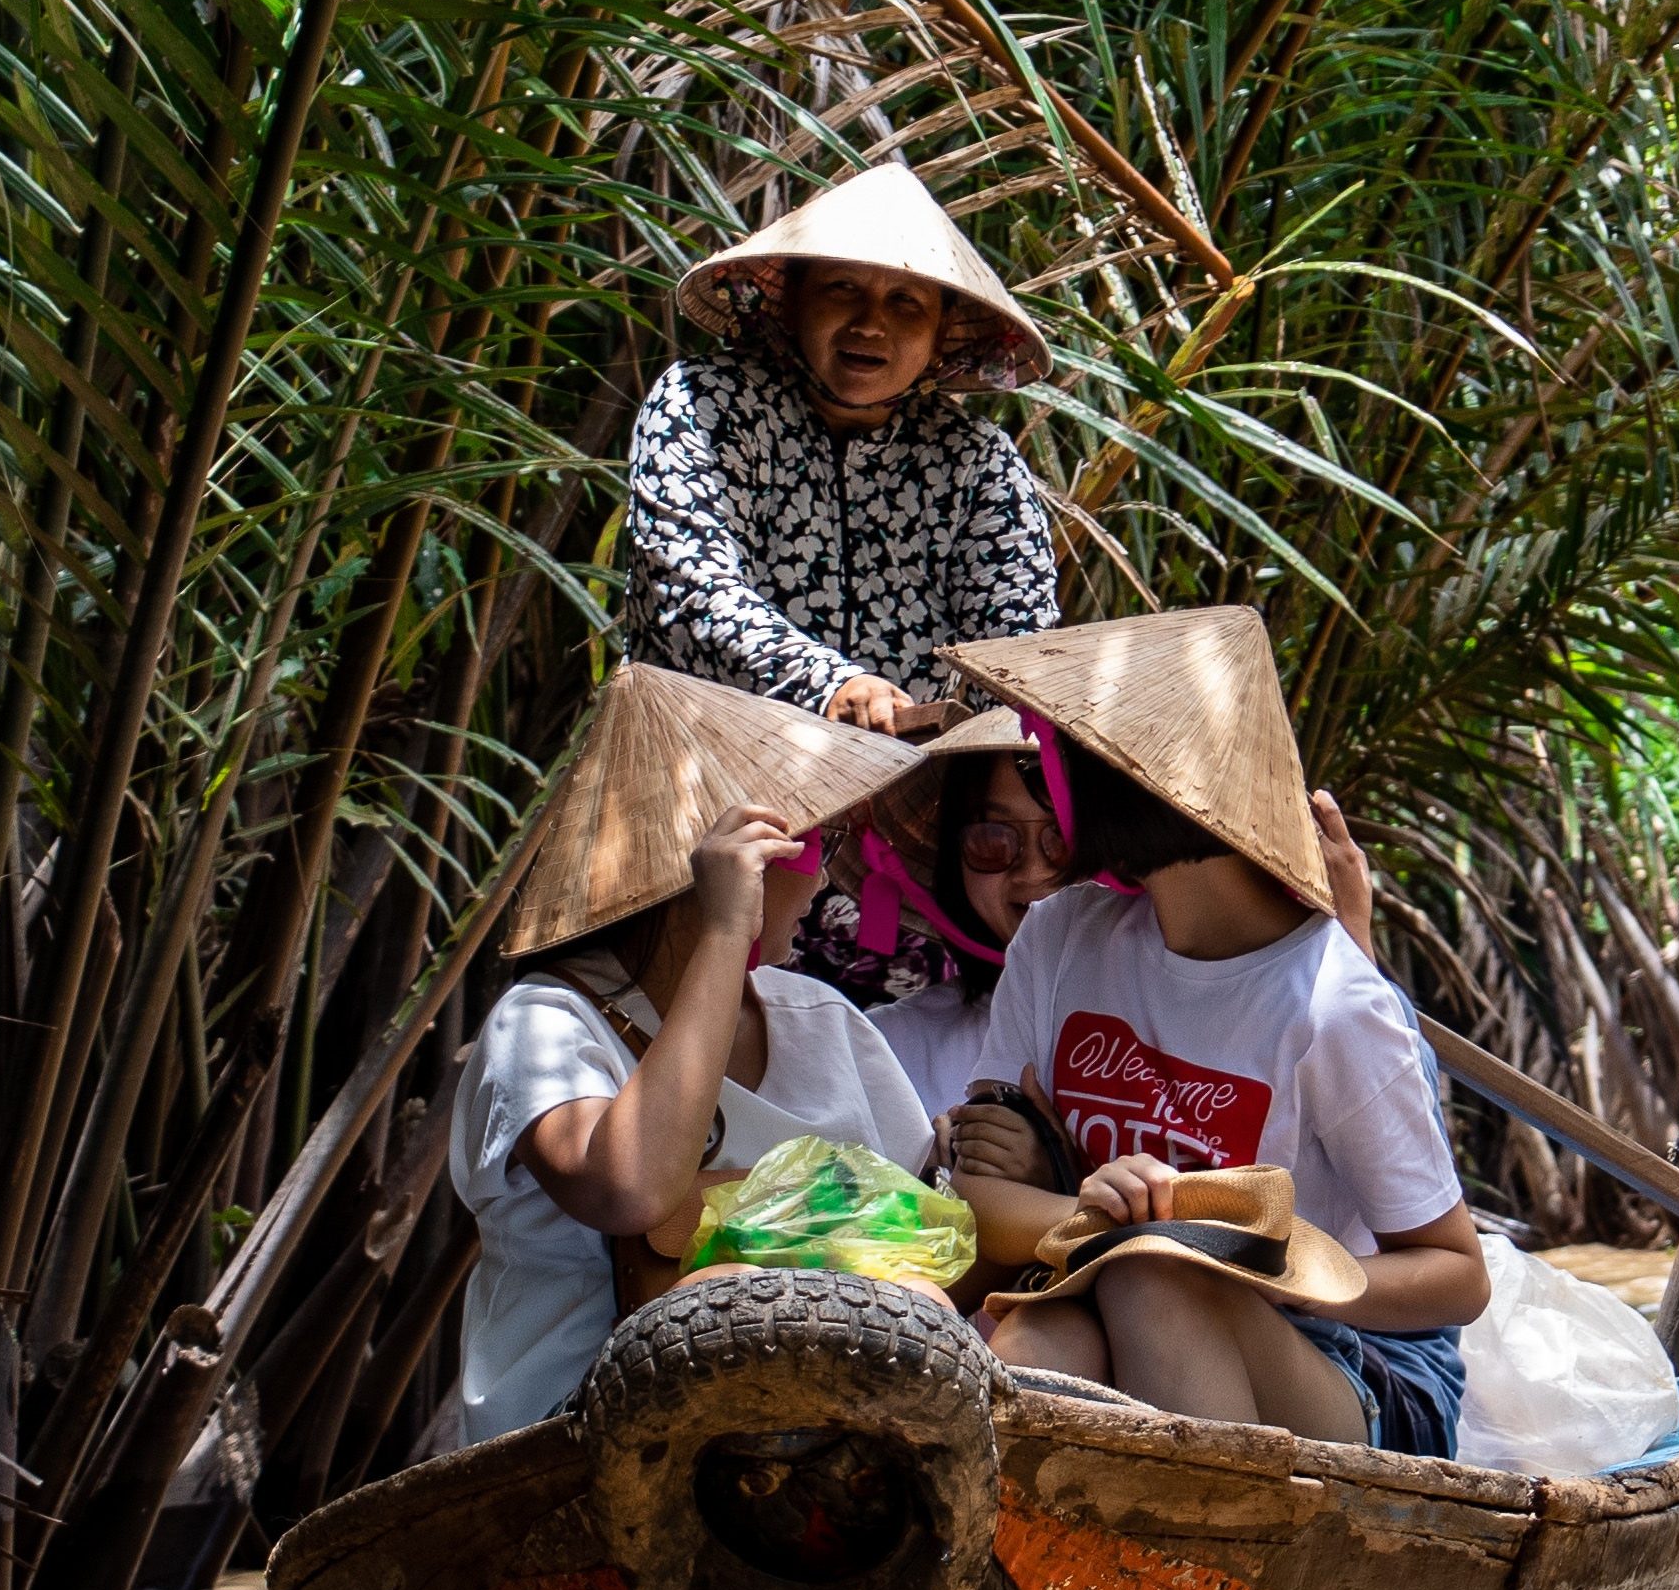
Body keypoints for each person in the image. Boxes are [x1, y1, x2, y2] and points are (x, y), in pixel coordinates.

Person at [943, 607, 1489, 1452]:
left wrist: (1260, 1268)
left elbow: (1457, 1276)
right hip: (1105, 1287)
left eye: (1055, 760)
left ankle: (1216, 1565)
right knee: (1041, 1336)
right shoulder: (1060, 939)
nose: (1046, 782)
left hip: (1353, 1362)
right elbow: (977, 1190)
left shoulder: (1331, 1004)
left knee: (1154, 1278)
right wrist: (1098, 1212)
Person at [451, 668, 935, 1443]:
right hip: (577, 1446)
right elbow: (632, 1191)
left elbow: (921, 1229)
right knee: (734, 1305)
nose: (825, 877)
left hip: (833, 1436)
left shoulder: (821, 1019)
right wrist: (722, 932)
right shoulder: (545, 1021)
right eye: (814, 843)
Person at [617, 158, 1060, 741]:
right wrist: (831, 687)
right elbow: (690, 590)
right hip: (707, 777)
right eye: (842, 288)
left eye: (906, 302)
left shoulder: (975, 460)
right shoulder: (706, 401)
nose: (871, 324)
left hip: (905, 796)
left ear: (939, 336)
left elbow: (1019, 651)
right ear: (793, 300)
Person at [864, 710, 1071, 1117]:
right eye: (992, 838)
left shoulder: (1201, 1026)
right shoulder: (889, 1048)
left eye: (1063, 837)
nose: (1033, 871)